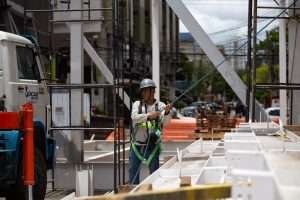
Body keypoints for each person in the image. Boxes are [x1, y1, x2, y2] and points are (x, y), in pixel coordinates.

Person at [129, 78, 171, 184]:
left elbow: (166, 123)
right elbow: (134, 117)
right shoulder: (137, 105)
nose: (143, 93)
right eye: (142, 91)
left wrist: (166, 113)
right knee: (133, 173)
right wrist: (149, 116)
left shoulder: (160, 106)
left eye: (146, 90)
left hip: (152, 146)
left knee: (154, 174)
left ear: (152, 91)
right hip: (137, 145)